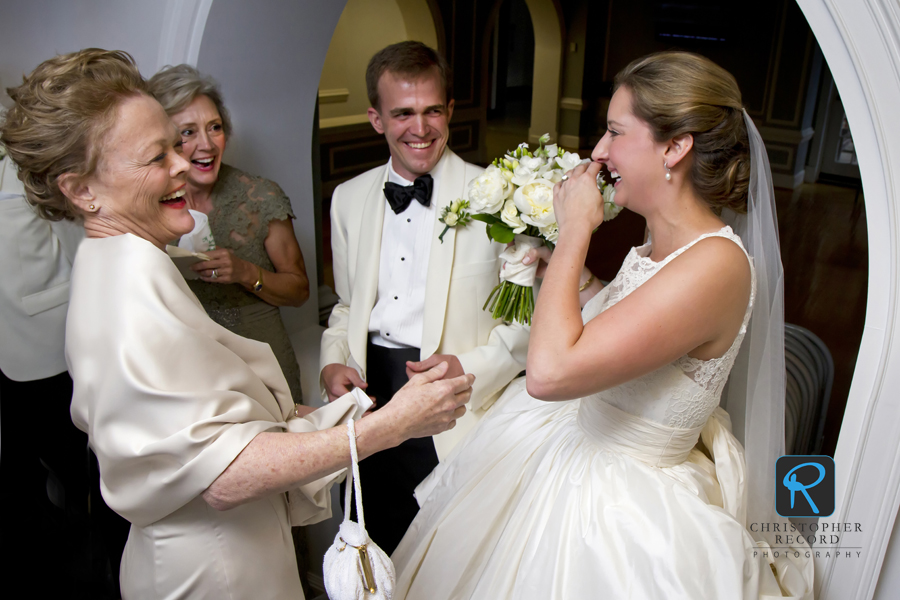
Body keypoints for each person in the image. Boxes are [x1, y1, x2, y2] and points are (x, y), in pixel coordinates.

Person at [0, 48, 474, 600]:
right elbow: (224, 475)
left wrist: (307, 418)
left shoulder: (128, 262)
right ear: (82, 190)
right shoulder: (127, 291)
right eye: (157, 157)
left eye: (174, 146)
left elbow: (195, 431)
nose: (182, 163)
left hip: (235, 552)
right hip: (214, 572)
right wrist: (390, 426)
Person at [391, 51, 814, 599]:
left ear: (675, 146)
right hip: (571, 445)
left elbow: (549, 374)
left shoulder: (716, 264)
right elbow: (626, 325)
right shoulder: (662, 242)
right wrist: (577, 277)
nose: (598, 151)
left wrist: (573, 232)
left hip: (623, 503)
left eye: (615, 132)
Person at [320, 40, 530, 554]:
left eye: (433, 110)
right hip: (368, 399)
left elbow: (527, 324)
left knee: (450, 555)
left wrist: (468, 370)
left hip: (457, 405)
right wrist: (332, 362)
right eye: (403, 113)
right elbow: (347, 306)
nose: (420, 128)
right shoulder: (347, 198)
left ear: (450, 110)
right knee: (373, 546)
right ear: (376, 118)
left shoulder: (500, 198)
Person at [147, 65, 308, 404]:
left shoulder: (261, 197)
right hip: (190, 369)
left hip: (264, 362)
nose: (206, 144)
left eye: (214, 127)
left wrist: (246, 272)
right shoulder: (146, 207)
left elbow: (299, 291)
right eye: (187, 132)